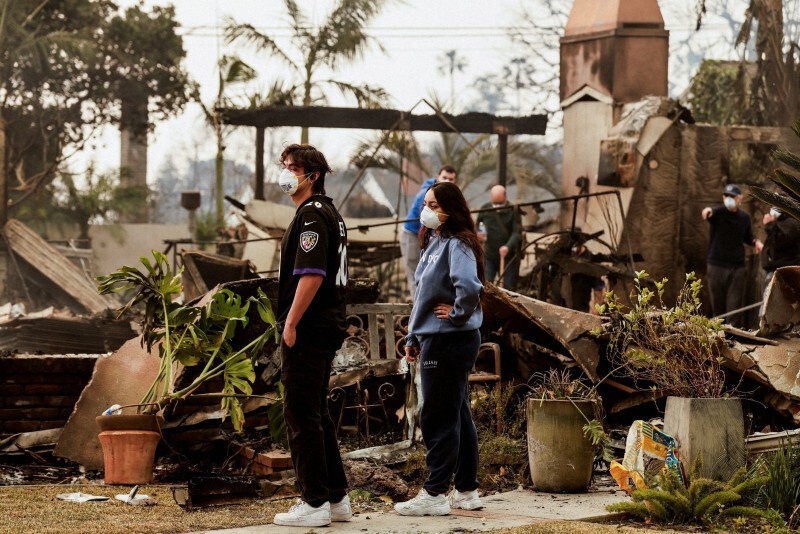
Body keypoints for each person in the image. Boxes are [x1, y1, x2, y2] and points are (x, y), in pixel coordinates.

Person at [395, 181, 485, 517]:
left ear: (451, 208)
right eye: (426, 203)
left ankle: (434, 492)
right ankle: (466, 489)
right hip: (437, 338)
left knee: (436, 415)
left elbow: (470, 286)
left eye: (434, 204)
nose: (427, 210)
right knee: (458, 414)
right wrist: (414, 337)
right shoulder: (434, 241)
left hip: (450, 339)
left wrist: (458, 314)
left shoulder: (457, 244)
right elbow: (423, 297)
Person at [273, 144, 350, 528]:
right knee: (317, 414)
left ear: (312, 175)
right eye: (284, 166)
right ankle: (336, 498)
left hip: (309, 328)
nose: (285, 173)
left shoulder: (311, 216)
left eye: (292, 167)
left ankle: (314, 502)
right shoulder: (331, 214)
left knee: (300, 415)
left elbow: (312, 274)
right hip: (325, 326)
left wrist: (290, 322)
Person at [701, 183, 763, 327]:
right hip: (716, 265)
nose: (729, 199)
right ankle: (718, 335)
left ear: (739, 198)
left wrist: (756, 242)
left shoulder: (744, 218)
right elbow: (708, 213)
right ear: (723, 197)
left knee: (734, 305)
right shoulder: (718, 213)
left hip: (737, 267)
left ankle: (732, 338)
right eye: (726, 196)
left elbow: (748, 237)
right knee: (718, 304)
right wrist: (707, 210)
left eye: (732, 196)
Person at [400, 165, 458, 301]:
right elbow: (425, 225)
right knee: (416, 273)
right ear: (438, 177)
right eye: (444, 178)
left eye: (451, 179)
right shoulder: (427, 194)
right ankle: (417, 307)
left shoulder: (448, 196)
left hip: (433, 234)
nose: (447, 181)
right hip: (413, 235)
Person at [476, 185, 522, 290]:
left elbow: (516, 233)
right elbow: (477, 224)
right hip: (489, 255)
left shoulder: (513, 210)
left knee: (507, 289)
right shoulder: (485, 208)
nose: (497, 206)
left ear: (505, 197)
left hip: (507, 257)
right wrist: (478, 233)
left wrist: (508, 246)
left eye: (499, 203)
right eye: (495, 203)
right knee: (485, 287)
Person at [760, 207, 800, 314]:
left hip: (783, 273)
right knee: (767, 310)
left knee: (771, 311)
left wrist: (769, 225)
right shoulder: (779, 223)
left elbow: (781, 240)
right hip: (774, 272)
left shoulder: (791, 222)